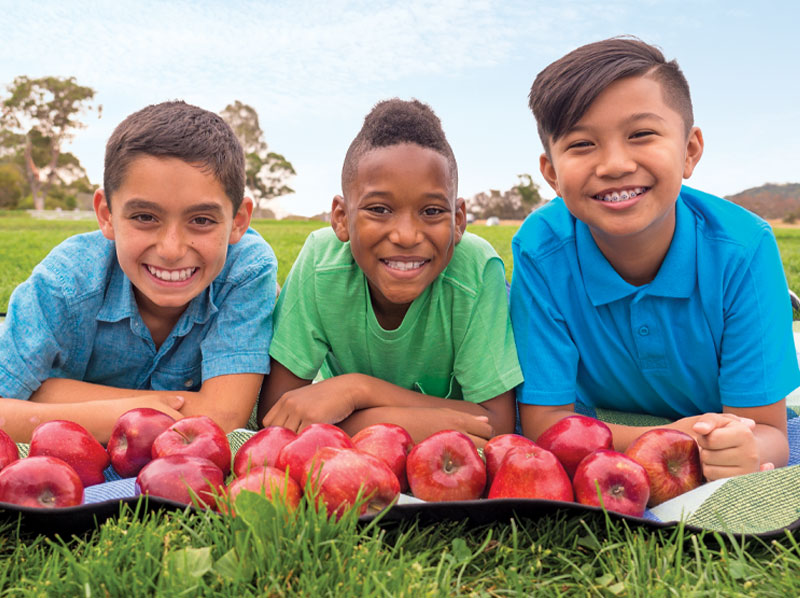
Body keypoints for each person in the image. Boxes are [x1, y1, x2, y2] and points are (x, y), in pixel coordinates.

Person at [510, 36, 800, 480]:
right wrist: (671, 438)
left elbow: (767, 431)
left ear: (689, 150)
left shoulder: (745, 249)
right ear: (550, 172)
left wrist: (745, 450)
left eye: (641, 135)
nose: (614, 164)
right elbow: (545, 424)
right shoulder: (540, 249)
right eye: (582, 144)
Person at [0, 101, 277, 443]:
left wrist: (46, 395)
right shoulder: (65, 282)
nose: (171, 249)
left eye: (202, 220)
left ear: (238, 221)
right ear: (106, 214)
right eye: (145, 217)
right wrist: (144, 409)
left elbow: (223, 416)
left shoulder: (246, 270)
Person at [258, 99, 523, 446]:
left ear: (458, 221)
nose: (406, 236)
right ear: (341, 217)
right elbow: (279, 416)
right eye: (379, 209)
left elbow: (496, 427)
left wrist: (358, 390)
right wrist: (441, 419)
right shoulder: (321, 264)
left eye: (431, 211)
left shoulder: (475, 270)